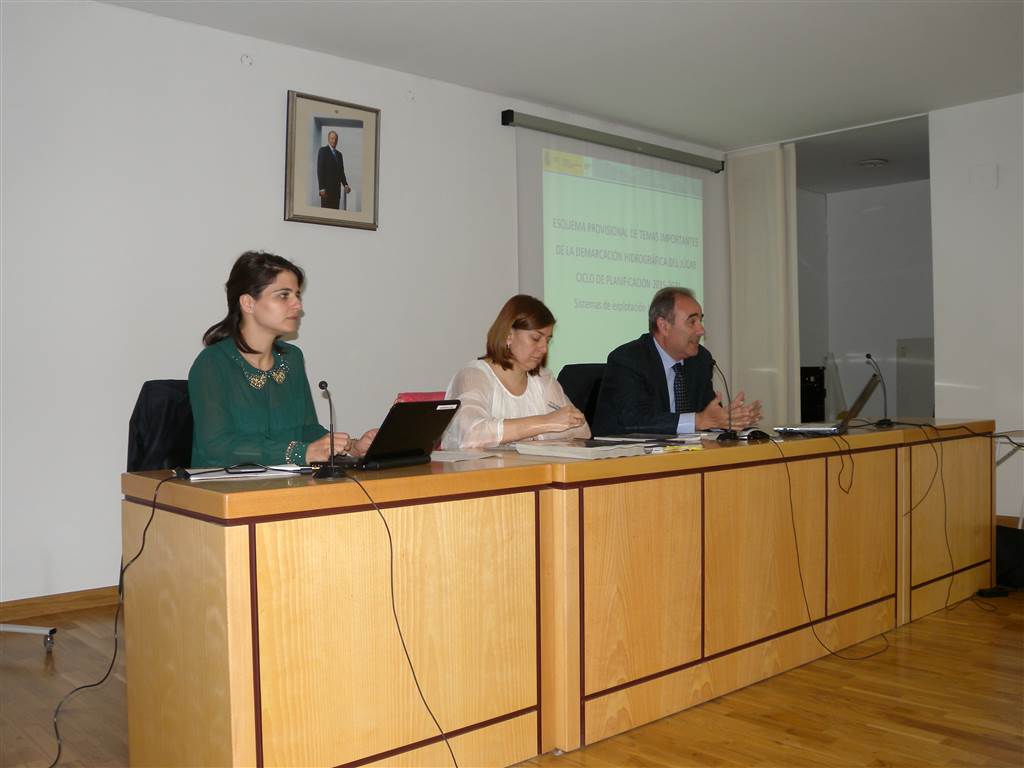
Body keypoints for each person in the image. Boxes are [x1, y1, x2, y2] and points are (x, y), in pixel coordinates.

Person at [189, 251, 375, 467]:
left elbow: (306, 430)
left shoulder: (292, 358)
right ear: (248, 303)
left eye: (297, 295)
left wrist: (351, 446)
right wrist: (300, 453)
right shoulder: (213, 362)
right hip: (225, 491)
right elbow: (216, 446)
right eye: (284, 295)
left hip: (284, 485)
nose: (298, 305)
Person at [592, 287, 762, 436]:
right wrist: (699, 420)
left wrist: (730, 421)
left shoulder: (700, 360)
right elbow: (635, 420)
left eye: (700, 320)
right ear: (664, 326)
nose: (701, 330)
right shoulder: (628, 359)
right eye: (692, 322)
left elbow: (710, 416)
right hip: (623, 461)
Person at [441, 295, 590, 450]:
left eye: (547, 340)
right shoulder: (473, 375)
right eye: (535, 338)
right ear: (508, 335)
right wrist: (544, 422)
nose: (544, 349)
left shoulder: (544, 380)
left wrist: (540, 428)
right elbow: (470, 434)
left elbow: (581, 430)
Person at [316, 130, 350, 209]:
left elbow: (341, 172)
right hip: (326, 191)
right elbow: (320, 170)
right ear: (328, 139)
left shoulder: (339, 155)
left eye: (335, 139)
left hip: (336, 192)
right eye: (332, 138)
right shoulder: (323, 151)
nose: (334, 141)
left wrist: (345, 185)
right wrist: (321, 188)